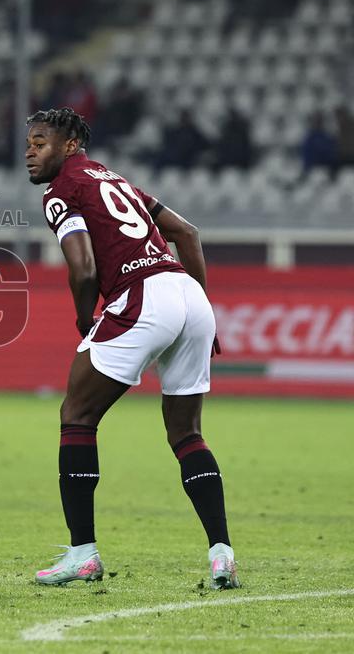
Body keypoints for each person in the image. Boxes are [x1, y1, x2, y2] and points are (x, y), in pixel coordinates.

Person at [25, 107, 239, 589]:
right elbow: (187, 234)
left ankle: (82, 553)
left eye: (40, 142)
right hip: (188, 296)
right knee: (187, 433)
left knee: (77, 415)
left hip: (142, 297)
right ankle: (222, 553)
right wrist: (203, 306)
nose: (30, 152)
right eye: (29, 144)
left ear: (70, 146)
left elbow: (81, 268)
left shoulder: (62, 191)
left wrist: (86, 321)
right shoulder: (118, 181)